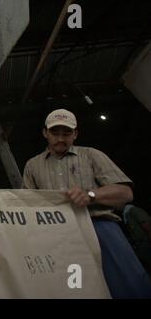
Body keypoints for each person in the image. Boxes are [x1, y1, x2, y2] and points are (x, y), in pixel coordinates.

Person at [22, 109, 151, 299]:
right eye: (55, 133)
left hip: (100, 227)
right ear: (45, 133)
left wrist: (91, 195)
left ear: (75, 134)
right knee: (77, 289)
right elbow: (27, 206)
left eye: (66, 133)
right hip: (57, 236)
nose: (60, 139)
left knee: (130, 284)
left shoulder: (91, 155)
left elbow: (125, 193)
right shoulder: (32, 166)